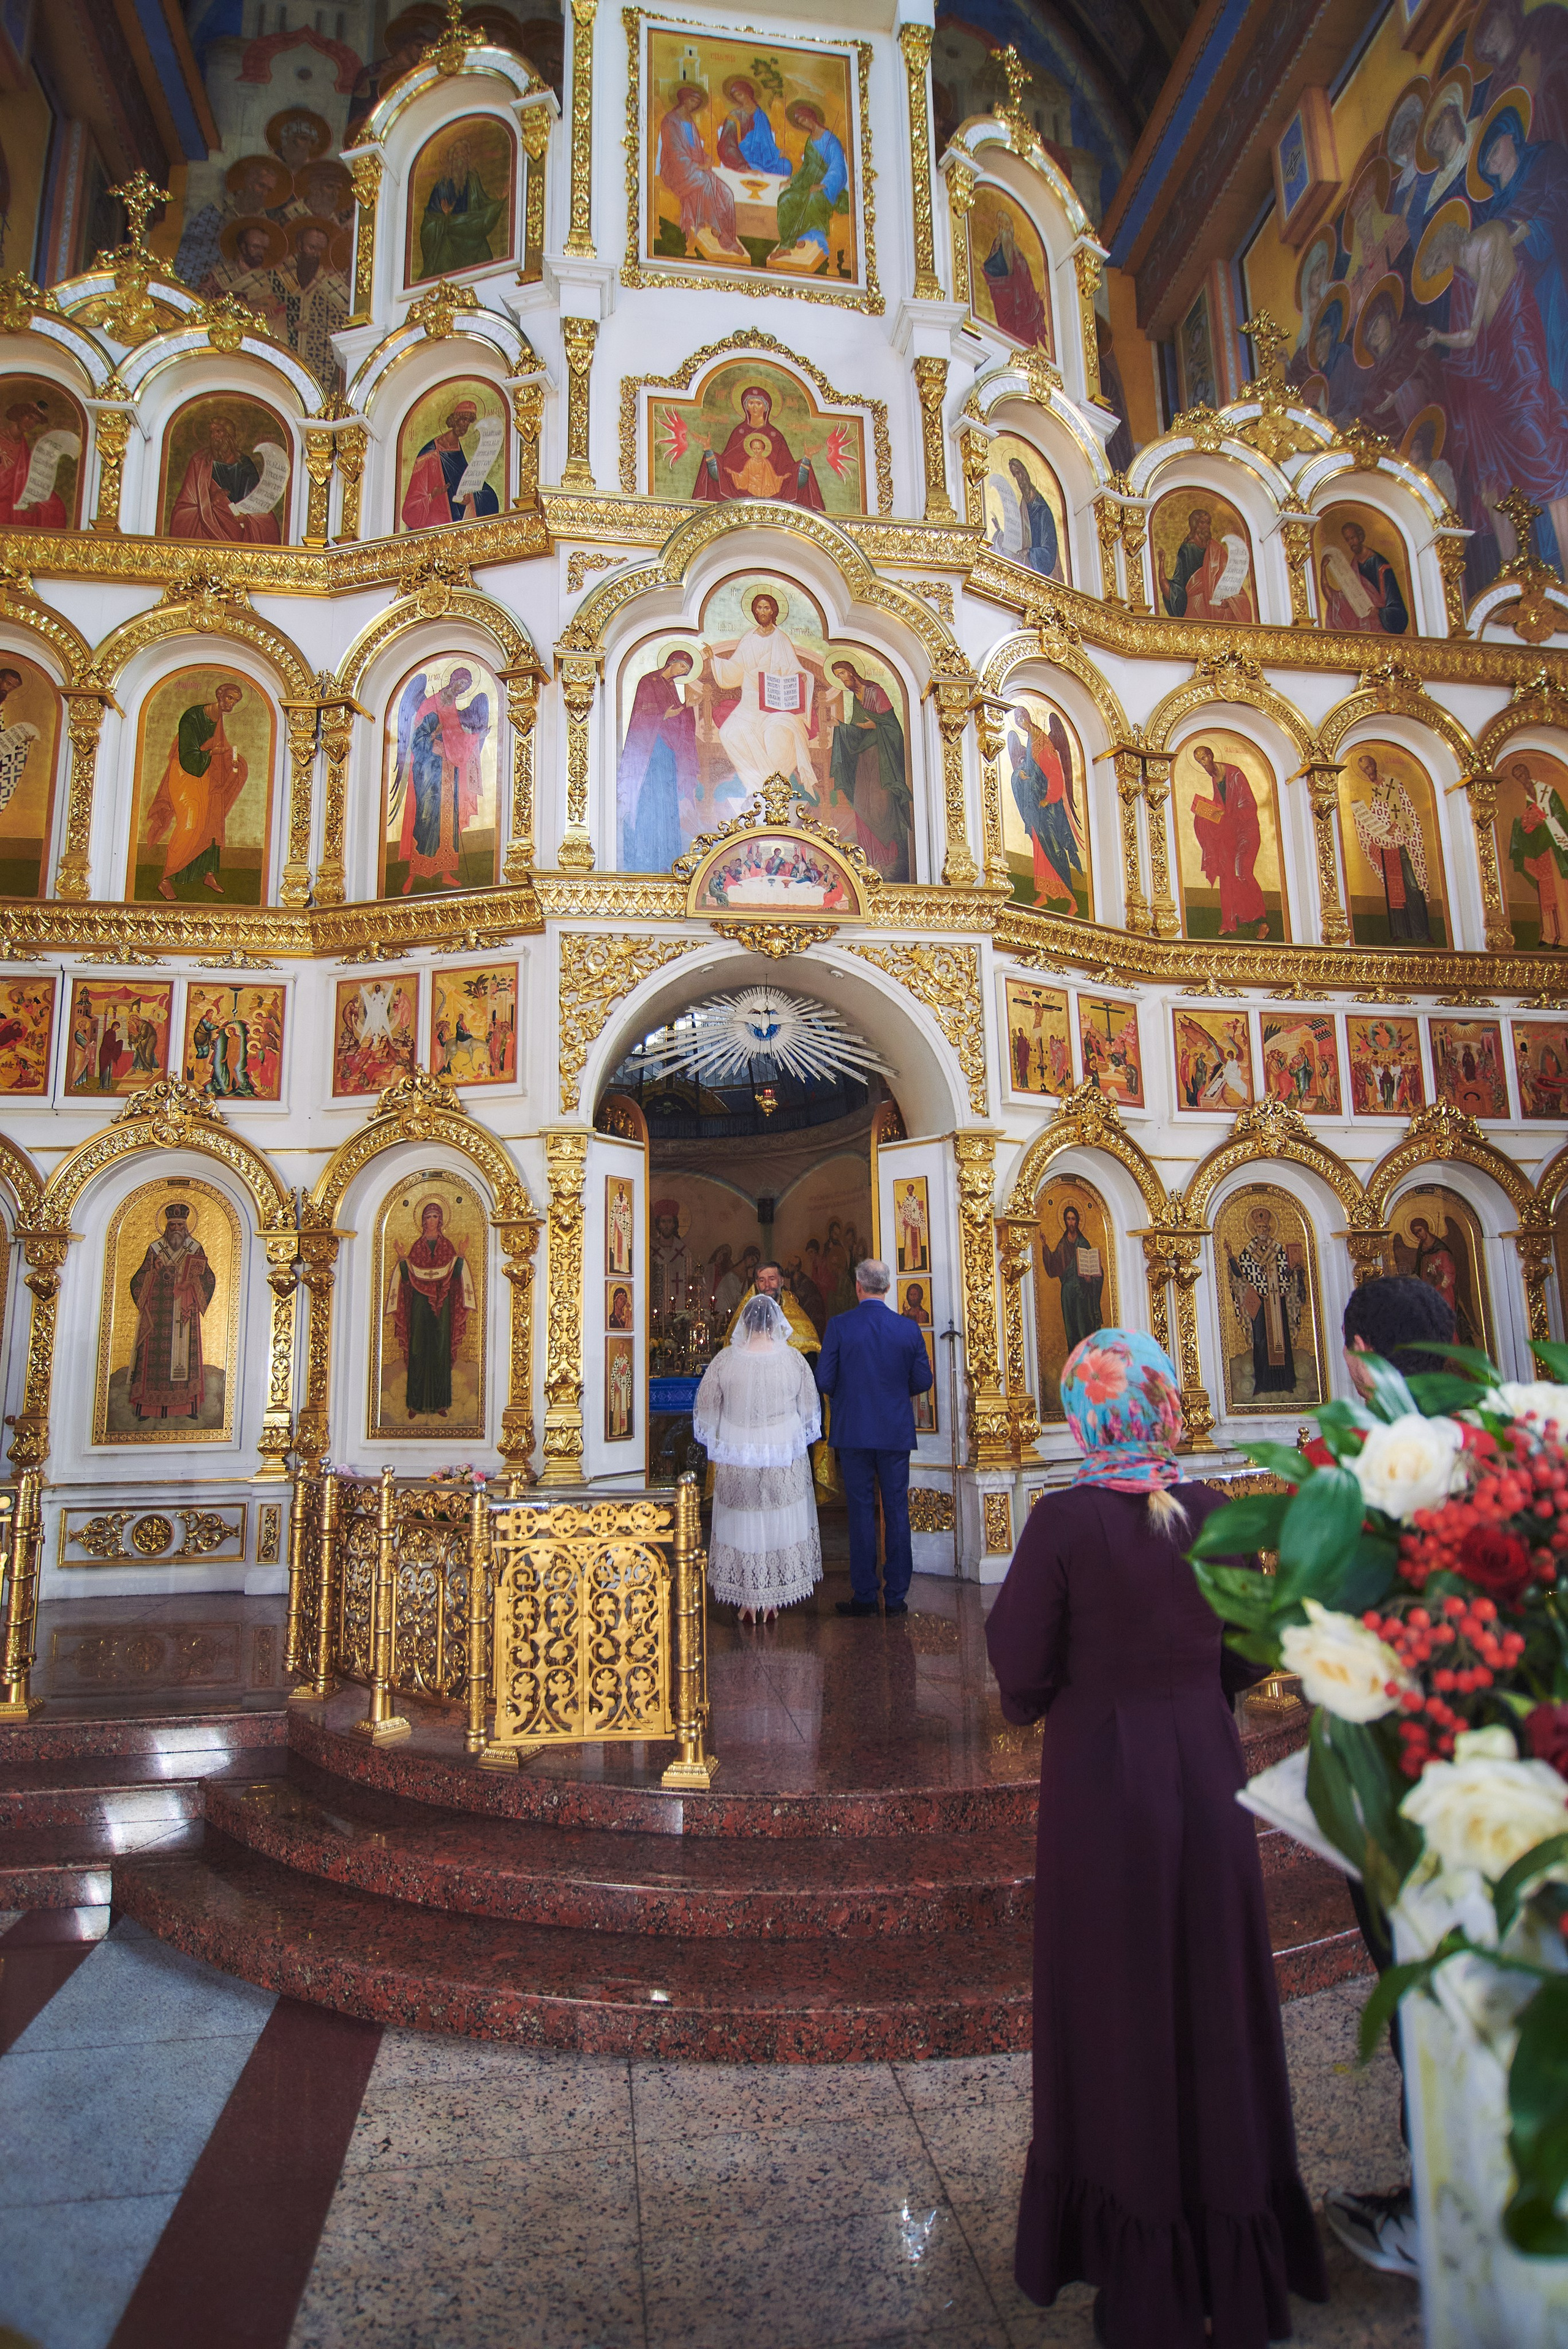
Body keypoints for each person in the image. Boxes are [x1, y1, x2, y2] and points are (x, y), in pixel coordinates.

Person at [986, 1329, 1327, 2347]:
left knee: (1118, 1999)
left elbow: (1021, 1679)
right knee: (1218, 1987)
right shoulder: (1215, 1513)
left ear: (1081, 1412)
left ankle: (1137, 2260)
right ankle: (1238, 2249)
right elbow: (1253, 1648)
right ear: (1167, 1406)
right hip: (1211, 1775)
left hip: (1101, 1788)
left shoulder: (1062, 1524)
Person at [1310, 1275, 1457, 2283]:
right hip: (1523, 1748)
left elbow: (1314, 1602)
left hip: (1403, 1766)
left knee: (1423, 1979)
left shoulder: (1353, 1455)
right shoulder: (1518, 1435)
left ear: (1360, 1350)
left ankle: (1442, 2212)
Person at [693, 1292, 823, 1624]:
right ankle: (774, 1596)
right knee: (780, 1517)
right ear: (778, 1322)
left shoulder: (725, 1360)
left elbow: (705, 1410)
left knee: (743, 1521)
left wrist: (729, 1429)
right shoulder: (793, 1359)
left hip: (739, 1453)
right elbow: (810, 1411)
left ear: (745, 1323)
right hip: (783, 1454)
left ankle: (750, 1596)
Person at [815, 1257, 933, 1617]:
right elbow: (923, 1381)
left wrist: (849, 1397)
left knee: (862, 1513)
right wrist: (895, 1395)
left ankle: (865, 1594)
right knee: (897, 1512)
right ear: (888, 1287)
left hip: (853, 1432)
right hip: (896, 1432)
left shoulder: (839, 1326)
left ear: (858, 1286)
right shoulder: (908, 1329)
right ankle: (896, 1597)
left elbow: (823, 1380)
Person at [143, 678, 249, 903]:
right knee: (190, 825)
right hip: (185, 772)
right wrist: (212, 754)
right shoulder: (193, 716)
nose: (231, 704)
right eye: (229, 698)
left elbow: (221, 749)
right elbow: (188, 753)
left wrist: (232, 762)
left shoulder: (219, 719)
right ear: (220, 696)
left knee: (213, 820)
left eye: (236, 702)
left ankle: (207, 874)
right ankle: (166, 878)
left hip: (206, 774)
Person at [383, 1199, 475, 1419]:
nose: (431, 1221)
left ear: (441, 1220)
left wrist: (461, 1256)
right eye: (427, 1217)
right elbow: (407, 1277)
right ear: (423, 1222)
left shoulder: (447, 1247)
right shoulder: (417, 1247)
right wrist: (402, 1258)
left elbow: (454, 1275)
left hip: (442, 1307)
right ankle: (415, 1404)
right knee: (418, 1349)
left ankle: (441, 1403)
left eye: (435, 1216)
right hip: (419, 1306)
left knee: (440, 1349)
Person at [127, 1202, 217, 1423]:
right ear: (166, 1227)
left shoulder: (195, 1248)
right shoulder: (155, 1249)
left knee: (184, 1358)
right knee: (153, 1359)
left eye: (180, 1225)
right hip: (158, 1313)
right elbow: (138, 1280)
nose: (176, 1229)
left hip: (184, 1313)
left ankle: (188, 1406)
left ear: (186, 1227)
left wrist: (192, 1283)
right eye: (173, 1225)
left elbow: (208, 1278)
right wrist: (153, 1272)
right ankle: (147, 1408)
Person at [1189, 742, 1268, 938]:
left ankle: (1262, 922)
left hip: (1247, 833)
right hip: (1230, 833)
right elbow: (1222, 806)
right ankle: (1230, 921)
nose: (1203, 764)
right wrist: (1209, 813)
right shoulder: (1215, 779)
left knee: (1242, 871)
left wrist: (1227, 814)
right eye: (1199, 762)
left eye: (1204, 758)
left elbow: (1250, 807)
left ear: (1212, 755)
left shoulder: (1235, 774)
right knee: (1226, 873)